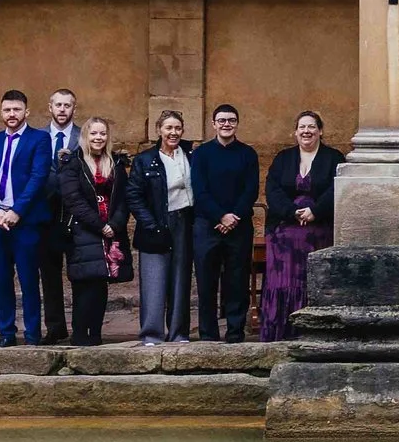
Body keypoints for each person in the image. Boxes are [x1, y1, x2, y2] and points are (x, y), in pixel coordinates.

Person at [0, 90, 55, 346]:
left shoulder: (39, 139)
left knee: (29, 279)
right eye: (7, 110)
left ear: (26, 112)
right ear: (1, 113)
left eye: (17, 110)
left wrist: (16, 211)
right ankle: (6, 332)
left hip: (26, 221)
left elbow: (38, 177)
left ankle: (32, 333)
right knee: (1, 279)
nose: (12, 114)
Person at [260, 111, 344, 343]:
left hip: (319, 232)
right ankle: (282, 333)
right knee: (283, 283)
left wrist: (315, 211)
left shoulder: (333, 157)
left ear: (320, 131)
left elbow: (338, 188)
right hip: (284, 234)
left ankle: (315, 332)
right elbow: (273, 189)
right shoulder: (283, 158)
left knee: (312, 281)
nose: (306, 131)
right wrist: (291, 212)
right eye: (302, 127)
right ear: (295, 132)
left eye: (311, 127)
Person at [53, 117, 130, 345]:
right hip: (83, 231)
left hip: (110, 232)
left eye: (103, 134)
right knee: (84, 283)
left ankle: (95, 334)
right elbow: (73, 199)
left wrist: (114, 225)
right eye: (94, 134)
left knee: (101, 283)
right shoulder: (73, 163)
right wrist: (100, 225)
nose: (98, 138)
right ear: (86, 136)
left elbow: (124, 199)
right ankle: (79, 334)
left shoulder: (115, 164)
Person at [190, 105, 259, 342]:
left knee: (237, 282)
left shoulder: (248, 154)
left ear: (237, 123)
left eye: (231, 120)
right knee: (206, 282)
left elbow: (251, 190)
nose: (226, 124)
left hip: (239, 227)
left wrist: (233, 217)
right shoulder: (201, 154)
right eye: (222, 120)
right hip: (207, 226)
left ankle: (235, 332)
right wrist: (220, 216)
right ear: (213, 124)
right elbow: (199, 190)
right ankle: (208, 334)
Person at [127, 111, 196, 345]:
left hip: (183, 221)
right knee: (154, 280)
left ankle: (178, 333)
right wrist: (151, 224)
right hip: (154, 223)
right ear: (159, 130)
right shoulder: (145, 159)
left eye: (178, 128)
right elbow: (134, 195)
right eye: (168, 128)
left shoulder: (190, 155)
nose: (173, 133)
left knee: (180, 278)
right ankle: (151, 334)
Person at [35, 89, 80, 343]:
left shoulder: (83, 135)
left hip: (75, 214)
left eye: (67, 105)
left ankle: (80, 325)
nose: (62, 109)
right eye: (58, 105)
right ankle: (55, 327)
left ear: (74, 108)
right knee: (49, 274)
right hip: (45, 214)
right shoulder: (37, 136)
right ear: (50, 107)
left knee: (78, 271)